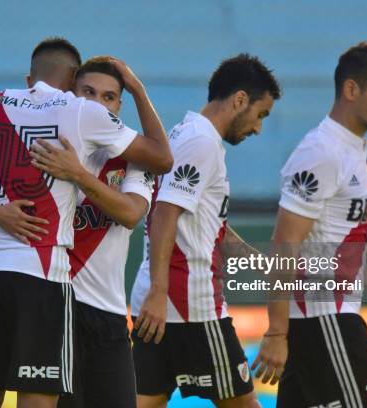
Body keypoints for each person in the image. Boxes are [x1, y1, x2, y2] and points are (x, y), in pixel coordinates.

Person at [0, 37, 171, 408]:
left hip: (103, 312)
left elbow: (133, 214)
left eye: (109, 97)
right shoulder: (51, 140)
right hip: (55, 296)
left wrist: (81, 176)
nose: (97, 103)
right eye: (87, 91)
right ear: (71, 91)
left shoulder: (129, 162)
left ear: (119, 105)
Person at [252, 42, 367, 408]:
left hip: (325, 325)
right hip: (326, 323)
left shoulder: (353, 149)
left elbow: (347, 241)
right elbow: (284, 241)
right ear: (351, 90)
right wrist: (276, 331)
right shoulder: (322, 152)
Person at [129, 54, 281, 408]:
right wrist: (159, 290)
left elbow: (203, 223)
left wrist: (255, 260)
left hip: (162, 304)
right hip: (191, 306)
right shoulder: (201, 143)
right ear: (240, 99)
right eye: (261, 114)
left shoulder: (185, 134)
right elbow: (165, 214)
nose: (258, 128)